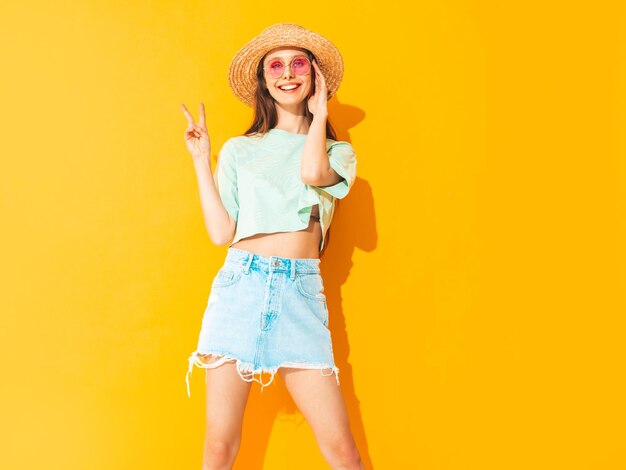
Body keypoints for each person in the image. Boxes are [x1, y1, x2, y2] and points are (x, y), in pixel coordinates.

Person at [180, 23, 363, 470]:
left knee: (342, 451)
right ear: (263, 80)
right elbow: (222, 233)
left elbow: (311, 173)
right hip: (240, 285)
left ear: (315, 75)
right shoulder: (241, 150)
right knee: (219, 447)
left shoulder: (339, 153)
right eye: (275, 66)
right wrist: (203, 160)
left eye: (298, 63)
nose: (287, 74)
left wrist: (319, 116)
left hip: (299, 294)